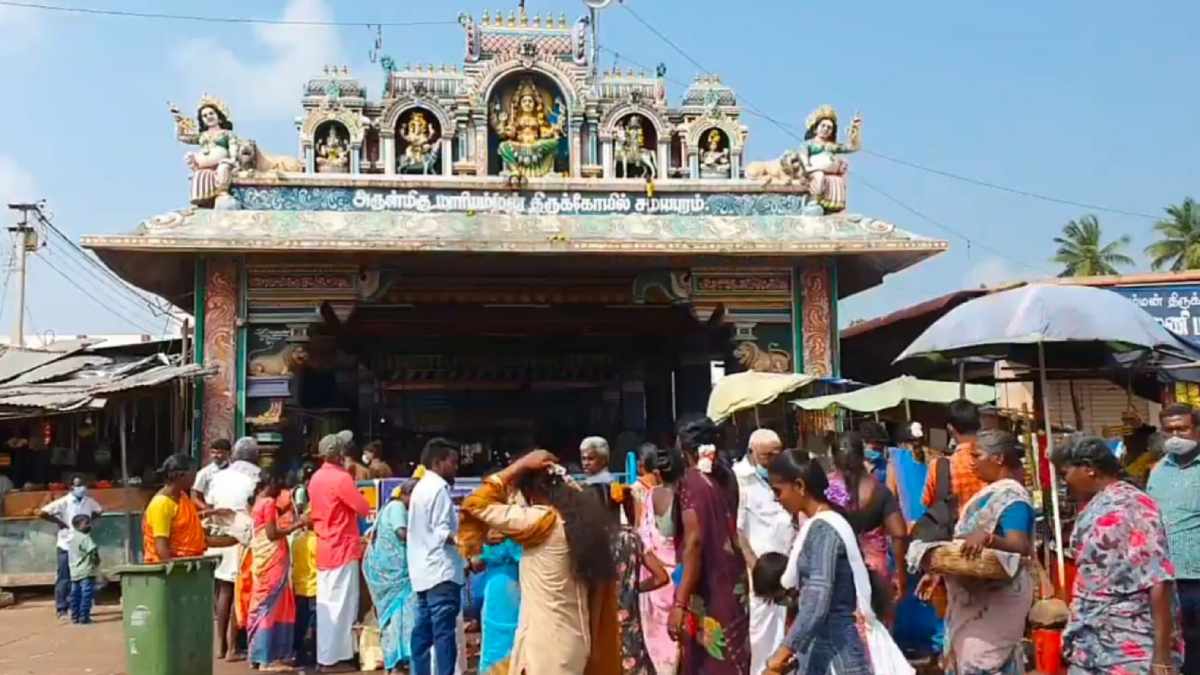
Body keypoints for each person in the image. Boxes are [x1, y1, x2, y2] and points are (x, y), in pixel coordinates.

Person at [458, 448, 619, 674]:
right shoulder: (581, 525)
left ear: (530, 493)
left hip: (545, 650)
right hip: (575, 643)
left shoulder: (541, 522)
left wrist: (519, 466)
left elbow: (474, 504)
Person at [1058, 435, 1183, 674]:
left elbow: (1159, 580)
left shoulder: (1132, 506)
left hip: (1129, 642)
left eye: (1065, 474)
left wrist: (1161, 654)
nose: (1065, 483)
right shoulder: (1097, 504)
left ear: (1089, 469)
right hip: (1093, 638)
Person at [915, 430, 1034, 674]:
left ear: (998, 459)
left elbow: (1020, 545)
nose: (972, 462)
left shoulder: (1014, 498)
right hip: (972, 597)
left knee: (980, 661)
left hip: (997, 600)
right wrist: (939, 571)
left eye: (977, 455)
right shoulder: (986, 495)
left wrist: (989, 539)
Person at [762, 449, 871, 674]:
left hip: (837, 654)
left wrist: (782, 653)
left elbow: (817, 601)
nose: (776, 499)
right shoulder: (819, 525)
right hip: (826, 649)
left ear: (800, 486)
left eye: (778, 491)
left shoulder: (824, 530)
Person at [666, 415, 750, 674]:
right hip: (734, 583)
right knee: (733, 658)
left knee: (707, 662)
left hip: (707, 585)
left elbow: (694, 542)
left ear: (685, 449)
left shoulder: (690, 482)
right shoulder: (727, 478)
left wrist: (680, 603)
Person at [733, 429, 797, 675]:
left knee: (781, 630)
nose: (773, 458)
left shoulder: (781, 476)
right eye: (767, 455)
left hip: (784, 570)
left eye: (777, 453)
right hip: (760, 574)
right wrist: (758, 569)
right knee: (760, 633)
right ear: (752, 452)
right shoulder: (740, 479)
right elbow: (737, 532)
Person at [310, 433, 372, 673]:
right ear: (339, 455)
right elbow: (363, 508)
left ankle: (328, 655)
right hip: (343, 547)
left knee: (327, 603)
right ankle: (333, 659)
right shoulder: (341, 478)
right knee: (343, 605)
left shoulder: (316, 478)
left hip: (325, 546)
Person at [1147, 402, 1200, 673]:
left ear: (1197, 430)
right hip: (1167, 578)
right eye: (1169, 430)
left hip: (1198, 577)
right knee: (1175, 644)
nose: (1176, 436)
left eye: (1182, 429)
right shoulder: (1158, 470)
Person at [408, 438, 465, 675]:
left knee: (422, 636)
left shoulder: (420, 487)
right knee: (443, 636)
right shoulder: (439, 488)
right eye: (452, 462)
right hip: (441, 573)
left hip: (422, 574)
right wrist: (468, 544)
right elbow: (443, 531)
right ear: (438, 462)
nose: (456, 467)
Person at [829, 432, 908, 600]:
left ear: (834, 459)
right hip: (876, 571)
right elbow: (899, 533)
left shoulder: (825, 491)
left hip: (836, 570)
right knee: (876, 622)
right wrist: (900, 573)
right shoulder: (879, 491)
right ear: (862, 456)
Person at [208, 436, 261, 662]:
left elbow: (211, 504)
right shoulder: (256, 476)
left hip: (218, 534)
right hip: (241, 537)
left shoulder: (218, 477)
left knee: (222, 591)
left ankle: (220, 646)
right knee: (236, 590)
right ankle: (232, 648)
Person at [248, 469, 306, 670]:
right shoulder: (268, 503)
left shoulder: (257, 501)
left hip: (262, 557)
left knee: (263, 603)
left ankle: (259, 655)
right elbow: (272, 534)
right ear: (270, 484)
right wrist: (298, 525)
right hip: (272, 558)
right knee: (269, 606)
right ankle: (267, 658)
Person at [364, 480, 418, 675]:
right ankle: (398, 661)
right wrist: (426, 538)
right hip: (395, 575)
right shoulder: (396, 507)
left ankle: (396, 661)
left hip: (392, 573)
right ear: (407, 494)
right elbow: (401, 532)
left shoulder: (391, 506)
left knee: (395, 618)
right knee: (401, 616)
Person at [638, 443, 680, 675]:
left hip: (655, 580)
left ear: (656, 473)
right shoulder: (687, 497)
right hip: (681, 578)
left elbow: (642, 534)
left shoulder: (650, 496)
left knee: (659, 648)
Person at [143, 453, 229, 563]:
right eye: (193, 474)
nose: (195, 478)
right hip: (172, 570)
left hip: (190, 563)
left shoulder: (182, 496)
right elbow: (161, 548)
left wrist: (211, 513)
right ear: (181, 475)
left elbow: (184, 523)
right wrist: (175, 571)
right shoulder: (161, 504)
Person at [40, 476, 103, 622]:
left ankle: (79, 610)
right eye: (78, 485)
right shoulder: (64, 502)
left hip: (83, 546)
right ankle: (62, 609)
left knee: (83, 578)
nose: (82, 488)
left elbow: (99, 511)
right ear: (71, 488)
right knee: (65, 577)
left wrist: (88, 523)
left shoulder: (89, 501)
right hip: (66, 544)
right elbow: (42, 512)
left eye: (83, 485)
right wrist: (60, 523)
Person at [922, 399, 987, 518]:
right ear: (979, 424)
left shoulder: (939, 466)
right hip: (993, 532)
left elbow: (928, 502)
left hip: (955, 532)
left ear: (950, 428)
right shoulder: (993, 459)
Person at [474, 530, 523, 674]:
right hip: (506, 591)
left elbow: (476, 563)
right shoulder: (490, 531)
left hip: (508, 590)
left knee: (507, 640)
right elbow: (476, 563)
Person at [292, 501, 319, 667]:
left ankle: (299, 653)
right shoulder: (316, 542)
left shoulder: (297, 539)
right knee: (314, 624)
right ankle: (314, 654)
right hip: (314, 587)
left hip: (299, 586)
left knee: (300, 623)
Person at [67, 513, 99, 625]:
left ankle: (74, 616)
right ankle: (84, 617)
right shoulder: (85, 538)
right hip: (86, 571)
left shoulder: (72, 537)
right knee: (86, 595)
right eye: (87, 523)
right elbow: (93, 552)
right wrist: (97, 562)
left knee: (75, 595)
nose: (89, 525)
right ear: (79, 525)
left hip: (74, 572)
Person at [192, 438, 231, 510]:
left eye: (219, 453)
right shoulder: (204, 472)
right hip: (212, 510)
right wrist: (208, 510)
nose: (215, 456)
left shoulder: (235, 471)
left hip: (231, 509)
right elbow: (195, 497)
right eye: (213, 452)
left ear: (228, 453)